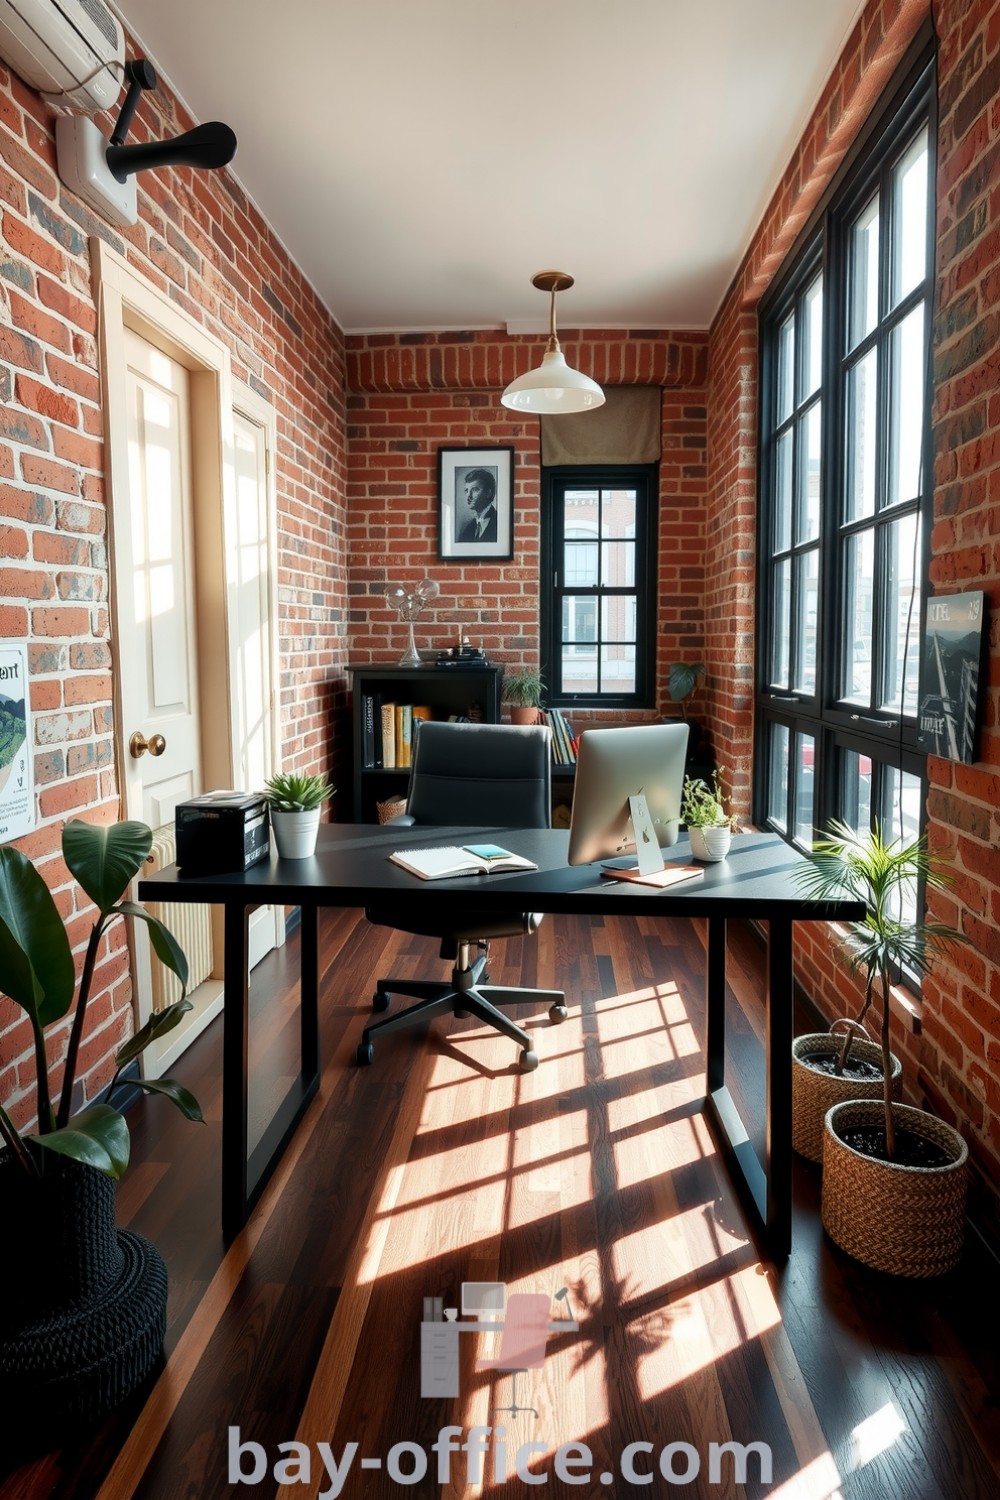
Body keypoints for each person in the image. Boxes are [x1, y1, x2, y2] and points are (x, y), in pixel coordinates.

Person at [456, 468, 498, 544]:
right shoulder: (469, 527)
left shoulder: (498, 522)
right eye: (466, 490)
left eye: (475, 489)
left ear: (488, 493)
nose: (468, 495)